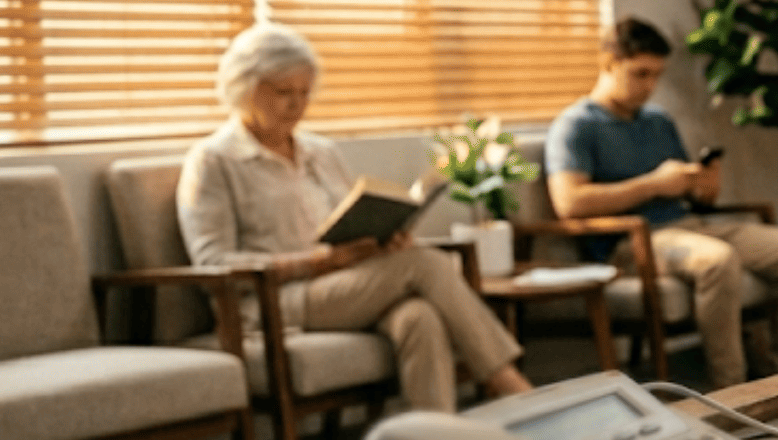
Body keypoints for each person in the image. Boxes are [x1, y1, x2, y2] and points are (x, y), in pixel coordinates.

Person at [179, 24, 533, 413]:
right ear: (242, 87)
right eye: (283, 92)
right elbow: (213, 266)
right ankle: (511, 384)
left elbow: (351, 218)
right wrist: (317, 262)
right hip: (274, 301)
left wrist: (383, 239)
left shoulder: (321, 151)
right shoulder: (213, 161)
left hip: (346, 285)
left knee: (420, 317)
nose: (296, 105)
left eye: (304, 92)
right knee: (424, 265)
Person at [544, 17, 778, 388]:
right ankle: (734, 392)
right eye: (640, 74)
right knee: (717, 261)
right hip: (631, 242)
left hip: (690, 227)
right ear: (608, 63)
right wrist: (652, 185)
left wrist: (702, 187)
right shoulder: (576, 125)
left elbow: (691, 196)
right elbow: (570, 203)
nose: (649, 86)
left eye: (656, 76)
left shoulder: (657, 121)